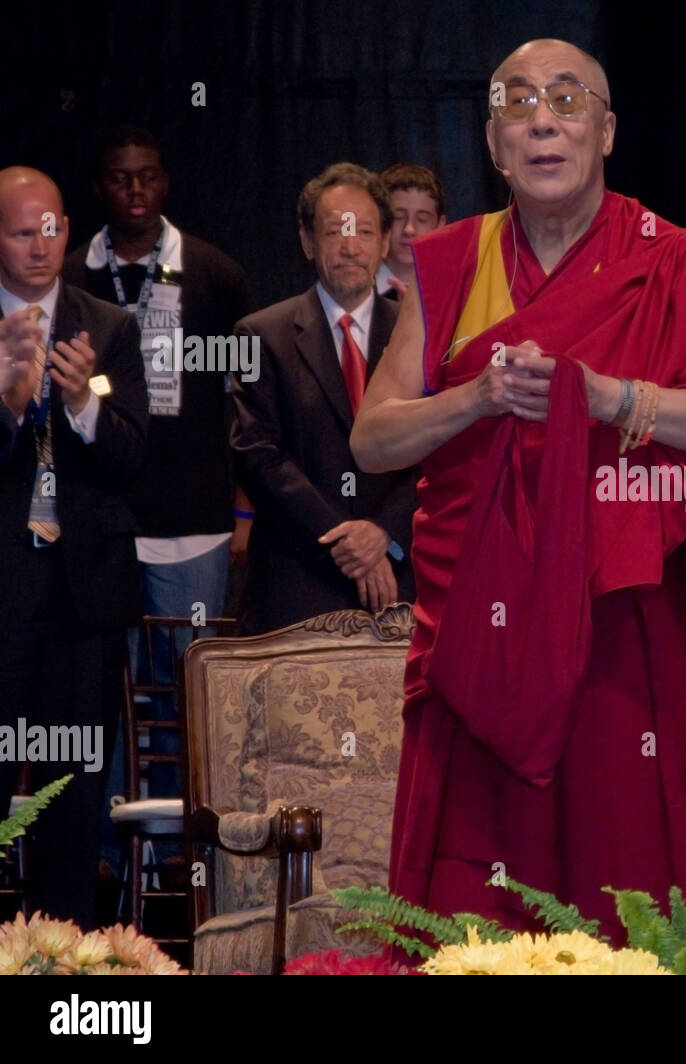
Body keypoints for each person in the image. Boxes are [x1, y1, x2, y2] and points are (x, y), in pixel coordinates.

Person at [352, 38, 686, 938]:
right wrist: (476, 396)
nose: (542, 118)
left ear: (608, 130)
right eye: (518, 103)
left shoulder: (678, 260)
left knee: (619, 871)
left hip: (619, 625)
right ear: (496, 145)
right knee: (473, 895)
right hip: (478, 627)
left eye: (567, 99)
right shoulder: (450, 262)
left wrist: (608, 395)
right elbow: (373, 437)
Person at [62, 125, 257, 794]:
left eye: (148, 175)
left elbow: (250, 406)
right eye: (121, 178)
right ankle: (111, 850)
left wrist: (244, 509)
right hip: (96, 517)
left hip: (191, 517)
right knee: (104, 687)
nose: (136, 189)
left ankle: (185, 847)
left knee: (186, 683)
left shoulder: (214, 273)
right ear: (99, 188)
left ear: (167, 182)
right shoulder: (70, 275)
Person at [0, 167, 147, 928]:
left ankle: (65, 956)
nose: (40, 246)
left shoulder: (110, 327)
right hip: (4, 595)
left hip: (84, 600)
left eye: (51, 229)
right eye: (22, 232)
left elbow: (135, 461)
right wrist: (6, 408)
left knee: (74, 786)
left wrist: (86, 404)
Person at [230, 163, 417, 635]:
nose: (350, 246)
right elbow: (258, 456)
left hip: (401, 580)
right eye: (335, 231)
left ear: (384, 241)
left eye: (365, 231)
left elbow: (442, 452)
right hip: (296, 584)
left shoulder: (421, 333)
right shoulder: (258, 335)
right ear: (308, 242)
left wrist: (383, 533)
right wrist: (347, 544)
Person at [377, 163, 447, 299]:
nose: (409, 229)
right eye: (398, 216)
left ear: (440, 225)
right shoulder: (355, 285)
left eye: (422, 219)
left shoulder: (454, 294)